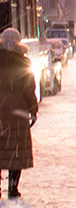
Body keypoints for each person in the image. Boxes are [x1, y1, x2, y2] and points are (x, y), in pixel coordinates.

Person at [0, 27, 38, 198]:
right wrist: (33, 110)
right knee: (16, 150)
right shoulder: (24, 63)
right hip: (18, 113)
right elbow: (29, 90)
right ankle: (13, 188)